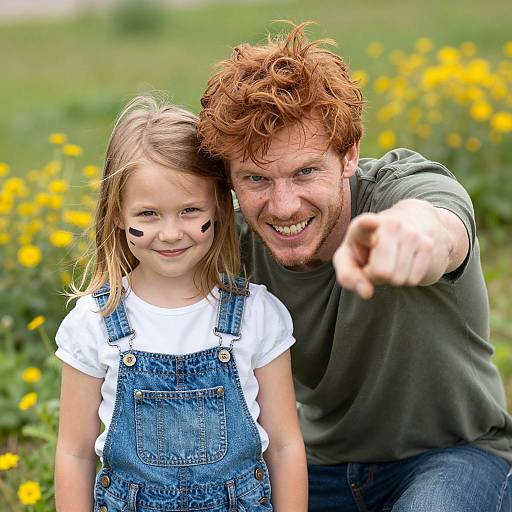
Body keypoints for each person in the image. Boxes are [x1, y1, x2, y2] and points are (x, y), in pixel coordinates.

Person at [197, 22, 512, 512]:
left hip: (452, 457)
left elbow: (438, 225)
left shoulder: (400, 191)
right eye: (256, 178)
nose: (283, 206)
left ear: (348, 155)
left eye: (306, 171)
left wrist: (411, 237)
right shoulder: (231, 242)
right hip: (317, 465)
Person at [54, 95, 307, 512]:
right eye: (149, 214)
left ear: (220, 209)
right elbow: (74, 453)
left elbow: (283, 445)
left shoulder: (256, 314)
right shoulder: (95, 322)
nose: (170, 233)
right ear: (117, 213)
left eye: (190, 210)